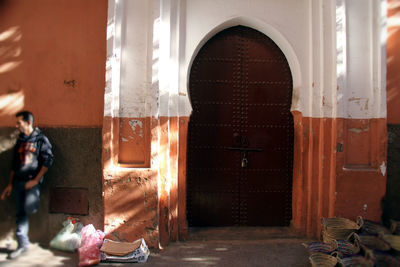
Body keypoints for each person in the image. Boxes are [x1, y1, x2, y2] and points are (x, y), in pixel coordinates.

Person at [1, 111, 54, 259]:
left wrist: (36, 180)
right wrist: (10, 184)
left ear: (28, 122)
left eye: (19, 123)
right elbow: (14, 164)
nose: (17, 126)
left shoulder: (40, 139)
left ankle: (26, 239)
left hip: (31, 182)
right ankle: (22, 244)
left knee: (30, 207)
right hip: (18, 182)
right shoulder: (20, 140)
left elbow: (48, 161)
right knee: (20, 214)